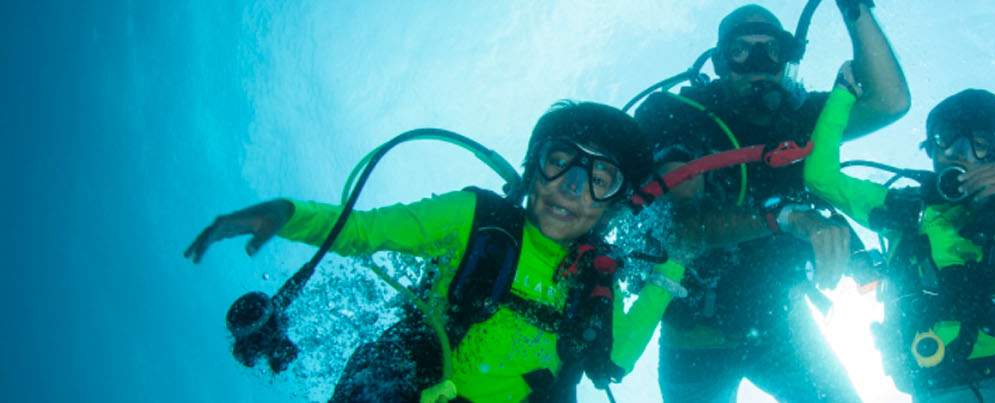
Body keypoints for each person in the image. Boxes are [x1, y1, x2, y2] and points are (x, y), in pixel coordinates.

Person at [184, 102, 686, 403]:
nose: (572, 190)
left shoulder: (592, 278)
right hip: (406, 383)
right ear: (533, 169)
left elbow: (612, 362)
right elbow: (362, 231)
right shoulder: (474, 217)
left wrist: (674, 264)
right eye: (560, 164)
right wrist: (288, 214)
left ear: (614, 207)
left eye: (599, 181)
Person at [633, 2, 909, 402]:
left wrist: (854, 8)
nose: (758, 62)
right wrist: (789, 217)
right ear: (720, 62)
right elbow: (685, 222)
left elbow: (890, 101)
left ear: (788, 57)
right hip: (695, 334)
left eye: (772, 49)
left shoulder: (800, 117)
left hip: (781, 320)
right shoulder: (677, 114)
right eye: (741, 51)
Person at [803, 63, 995, 402]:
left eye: (979, 143)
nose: (958, 153)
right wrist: (843, 93)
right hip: (935, 388)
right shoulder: (901, 207)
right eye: (946, 139)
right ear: (931, 147)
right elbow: (820, 176)